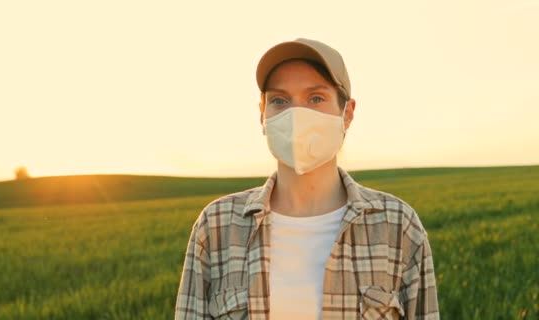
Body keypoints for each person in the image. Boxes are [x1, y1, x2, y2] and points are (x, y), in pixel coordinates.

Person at [175, 38, 439, 320]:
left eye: (315, 98)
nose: (296, 115)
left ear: (347, 113)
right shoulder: (216, 226)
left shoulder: (397, 226)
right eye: (279, 100)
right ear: (263, 115)